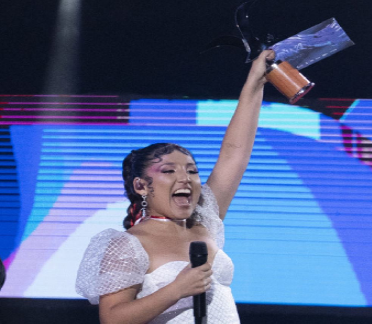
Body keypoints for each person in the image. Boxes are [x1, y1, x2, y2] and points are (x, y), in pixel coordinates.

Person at [76, 50, 275, 324]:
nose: (186, 179)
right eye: (169, 171)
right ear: (142, 186)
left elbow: (235, 154)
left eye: (192, 171)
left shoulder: (205, 220)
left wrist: (256, 80)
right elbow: (112, 319)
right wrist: (176, 290)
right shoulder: (128, 245)